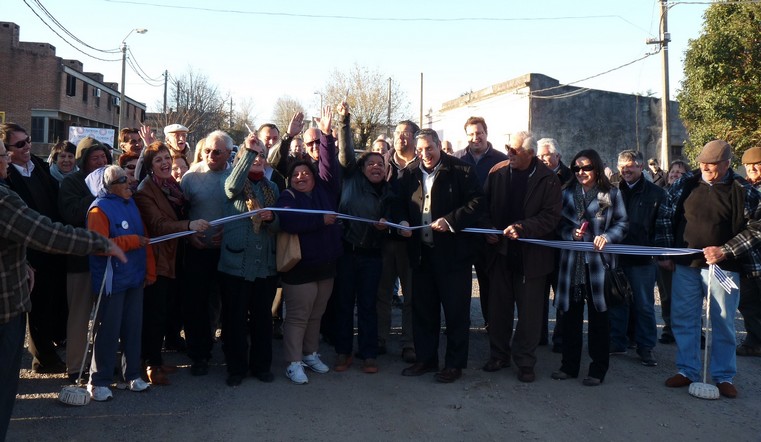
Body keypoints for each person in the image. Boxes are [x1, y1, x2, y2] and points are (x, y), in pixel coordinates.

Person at [0, 138, 126, 440]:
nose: (7, 160)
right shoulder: (3, 199)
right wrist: (98, 242)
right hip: (5, 309)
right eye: (4, 155)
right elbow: (45, 232)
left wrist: (22, 263)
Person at [655, 140, 761, 399]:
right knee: (684, 318)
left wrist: (726, 250)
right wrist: (666, 252)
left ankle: (724, 375)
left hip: (724, 267)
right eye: (703, 163)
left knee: (723, 321)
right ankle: (687, 370)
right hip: (686, 264)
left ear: (726, 164)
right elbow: (665, 215)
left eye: (712, 165)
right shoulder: (685, 183)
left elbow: (757, 228)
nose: (705, 168)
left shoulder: (743, 189)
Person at [398, 128, 484, 384]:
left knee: (456, 313)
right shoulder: (410, 173)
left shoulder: (462, 170)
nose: (425, 154)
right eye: (420, 150)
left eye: (429, 148)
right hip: (421, 254)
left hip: (453, 256)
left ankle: (454, 364)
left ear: (438, 146)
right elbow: (396, 202)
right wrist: (401, 220)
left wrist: (451, 220)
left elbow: (477, 202)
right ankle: (426, 359)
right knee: (424, 311)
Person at [481, 132, 561, 382]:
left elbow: (551, 216)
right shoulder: (497, 172)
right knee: (498, 309)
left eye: (514, 150)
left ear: (530, 154)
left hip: (532, 258)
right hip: (500, 253)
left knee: (530, 314)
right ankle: (499, 355)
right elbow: (482, 205)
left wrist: (523, 228)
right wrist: (488, 229)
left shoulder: (548, 178)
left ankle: (525, 362)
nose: (509, 153)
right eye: (508, 147)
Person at [274, 106, 342, 385]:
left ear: (314, 176)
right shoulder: (287, 197)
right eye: (296, 175)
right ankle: (293, 362)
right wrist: (320, 221)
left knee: (316, 315)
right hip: (299, 268)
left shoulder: (326, 190)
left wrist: (326, 135)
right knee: (298, 317)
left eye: (305, 173)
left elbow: (329, 166)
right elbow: (290, 222)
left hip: (326, 266)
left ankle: (310, 354)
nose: (301, 177)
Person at [134, 141, 210, 385]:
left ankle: (156, 359)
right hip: (158, 259)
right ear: (149, 166)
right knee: (154, 313)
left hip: (175, 256)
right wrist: (189, 226)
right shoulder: (146, 190)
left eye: (167, 157)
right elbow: (158, 225)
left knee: (166, 311)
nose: (165, 163)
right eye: (158, 160)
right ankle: (150, 364)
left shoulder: (171, 186)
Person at [552, 149, 628, 386]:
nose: (581, 172)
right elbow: (557, 224)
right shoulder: (566, 193)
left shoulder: (609, 193)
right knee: (570, 317)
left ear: (596, 168)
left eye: (586, 167)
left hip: (599, 266)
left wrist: (607, 237)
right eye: (576, 168)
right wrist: (570, 233)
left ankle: (598, 369)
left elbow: (622, 223)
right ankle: (568, 366)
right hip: (571, 264)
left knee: (599, 319)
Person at [333, 102, 396, 374]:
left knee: (368, 306)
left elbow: (393, 219)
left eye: (380, 164)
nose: (376, 167)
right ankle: (343, 352)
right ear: (362, 167)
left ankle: (369, 354)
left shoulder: (389, 192)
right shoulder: (351, 177)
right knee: (344, 304)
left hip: (372, 256)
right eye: (370, 164)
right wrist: (344, 120)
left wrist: (387, 226)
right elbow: (346, 151)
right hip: (347, 252)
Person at [1, 123, 68, 373]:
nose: (27, 146)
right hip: (28, 250)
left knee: (52, 300)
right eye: (20, 144)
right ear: (6, 150)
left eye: (28, 140)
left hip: (51, 245)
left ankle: (52, 344)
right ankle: (43, 358)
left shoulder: (37, 165)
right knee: (36, 307)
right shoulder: (6, 178)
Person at [85, 165, 155, 401]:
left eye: (127, 178)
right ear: (109, 186)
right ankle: (98, 381)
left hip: (134, 276)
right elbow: (99, 245)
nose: (129, 183)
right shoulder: (98, 209)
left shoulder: (130, 202)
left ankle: (131, 375)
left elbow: (145, 240)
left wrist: (149, 270)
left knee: (133, 328)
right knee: (108, 330)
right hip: (111, 280)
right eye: (122, 180)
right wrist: (132, 241)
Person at [218, 133, 280, 386]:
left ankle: (261, 366)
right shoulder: (230, 180)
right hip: (236, 265)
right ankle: (236, 368)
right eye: (253, 155)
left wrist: (272, 218)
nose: (258, 159)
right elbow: (232, 187)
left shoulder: (272, 188)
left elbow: (279, 225)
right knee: (234, 320)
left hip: (264, 265)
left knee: (262, 320)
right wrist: (249, 149)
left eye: (262, 155)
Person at [58, 136, 113, 382]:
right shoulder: (71, 182)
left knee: (104, 317)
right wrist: (97, 195)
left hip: (106, 260)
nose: (101, 162)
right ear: (83, 161)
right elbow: (70, 214)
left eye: (103, 157)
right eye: (95, 158)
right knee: (79, 317)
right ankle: (75, 368)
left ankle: (100, 365)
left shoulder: (113, 180)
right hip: (80, 260)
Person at [180, 130, 233, 377]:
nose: (210, 155)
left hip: (228, 252)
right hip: (197, 251)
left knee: (229, 304)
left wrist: (229, 232)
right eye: (207, 151)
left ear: (229, 153)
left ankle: (230, 353)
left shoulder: (236, 176)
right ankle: (199, 354)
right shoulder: (191, 177)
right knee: (196, 305)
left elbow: (245, 212)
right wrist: (188, 234)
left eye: (217, 152)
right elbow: (181, 213)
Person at [608, 150, 666, 367]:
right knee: (617, 301)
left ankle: (646, 346)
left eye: (630, 165)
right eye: (622, 165)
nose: (626, 170)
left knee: (644, 305)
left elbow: (661, 227)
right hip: (616, 256)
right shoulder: (610, 191)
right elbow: (602, 218)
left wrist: (657, 252)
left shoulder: (656, 194)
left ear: (641, 167)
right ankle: (617, 341)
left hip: (643, 260)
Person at [452, 117, 508, 328]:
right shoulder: (455, 159)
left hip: (490, 233)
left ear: (486, 133)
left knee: (489, 283)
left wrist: (493, 227)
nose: (476, 138)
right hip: (462, 233)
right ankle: (459, 325)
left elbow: (505, 199)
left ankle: (491, 323)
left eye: (479, 133)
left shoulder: (502, 160)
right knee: (459, 284)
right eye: (471, 134)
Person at [377, 120, 420, 363]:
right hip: (385, 239)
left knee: (411, 295)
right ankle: (380, 337)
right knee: (382, 292)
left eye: (406, 133)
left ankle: (409, 342)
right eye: (398, 133)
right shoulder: (383, 162)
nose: (401, 137)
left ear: (415, 137)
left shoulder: (422, 163)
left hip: (411, 240)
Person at [535, 137, 572, 352]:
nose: (542, 159)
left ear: (557, 155)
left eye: (546, 155)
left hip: (563, 245)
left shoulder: (571, 178)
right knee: (538, 294)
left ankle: (561, 338)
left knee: (562, 295)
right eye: (539, 155)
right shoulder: (533, 175)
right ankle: (539, 335)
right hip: (539, 244)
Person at [656, 159, 689, 344]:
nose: (675, 174)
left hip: (685, 252)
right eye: (673, 171)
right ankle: (669, 329)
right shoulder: (661, 194)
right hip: (664, 251)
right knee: (666, 294)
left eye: (680, 172)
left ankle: (693, 331)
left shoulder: (690, 195)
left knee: (687, 296)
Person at [737, 146, 761, 357]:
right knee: (748, 303)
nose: (752, 168)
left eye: (757, 165)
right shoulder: (742, 188)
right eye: (748, 165)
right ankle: (754, 341)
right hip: (746, 258)